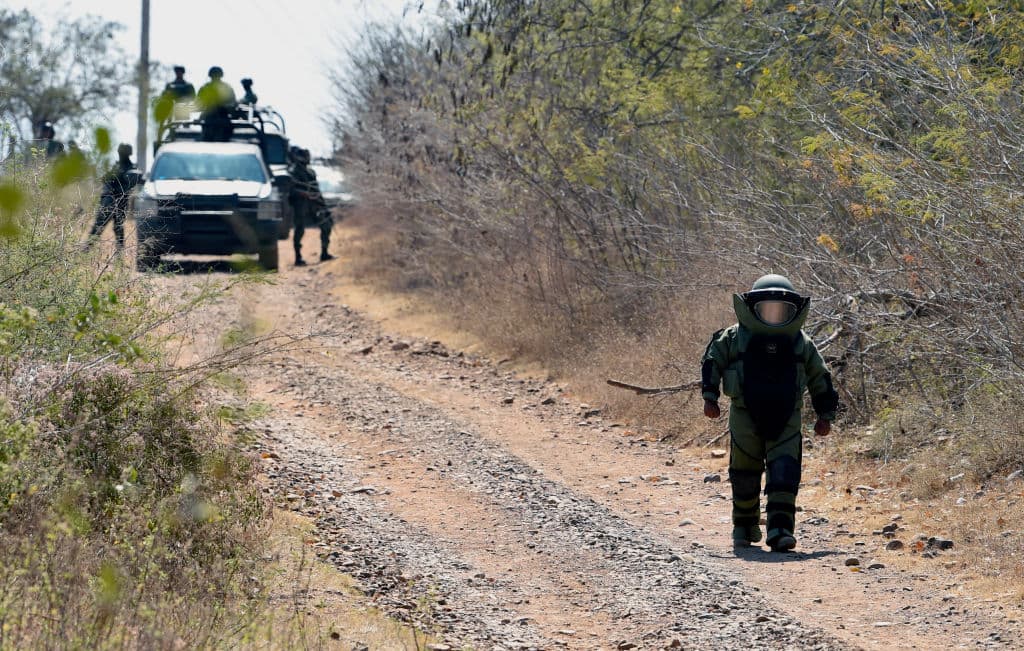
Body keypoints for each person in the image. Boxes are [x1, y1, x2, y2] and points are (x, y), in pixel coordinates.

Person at [700, 274, 839, 552]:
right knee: (744, 473)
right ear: (752, 308)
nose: (774, 315)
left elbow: (820, 378)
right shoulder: (732, 337)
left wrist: (825, 416)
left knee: (785, 472)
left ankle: (780, 530)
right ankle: (743, 526)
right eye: (767, 308)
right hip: (744, 416)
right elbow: (711, 362)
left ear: (793, 311)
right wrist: (710, 397)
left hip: (788, 417)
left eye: (781, 310)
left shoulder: (802, 343)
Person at [87, 143, 142, 253]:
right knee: (98, 227)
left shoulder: (131, 169)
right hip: (108, 200)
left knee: (118, 228)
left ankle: (119, 253)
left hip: (120, 201)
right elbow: (104, 180)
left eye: (122, 152)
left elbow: (131, 183)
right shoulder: (116, 166)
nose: (121, 154)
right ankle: (87, 249)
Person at [288, 147, 333, 266]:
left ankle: (324, 253)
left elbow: (316, 189)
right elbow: (291, 190)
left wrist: (323, 205)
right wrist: (304, 194)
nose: (307, 159)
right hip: (301, 205)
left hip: (314, 204)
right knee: (300, 230)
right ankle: (298, 257)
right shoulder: (293, 172)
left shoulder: (311, 172)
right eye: (305, 156)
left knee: (326, 224)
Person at [196, 66, 237, 141]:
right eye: (214, 75)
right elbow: (199, 104)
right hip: (208, 119)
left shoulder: (227, 88)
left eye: (217, 75)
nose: (215, 77)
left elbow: (233, 104)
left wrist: (224, 106)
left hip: (223, 118)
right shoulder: (205, 88)